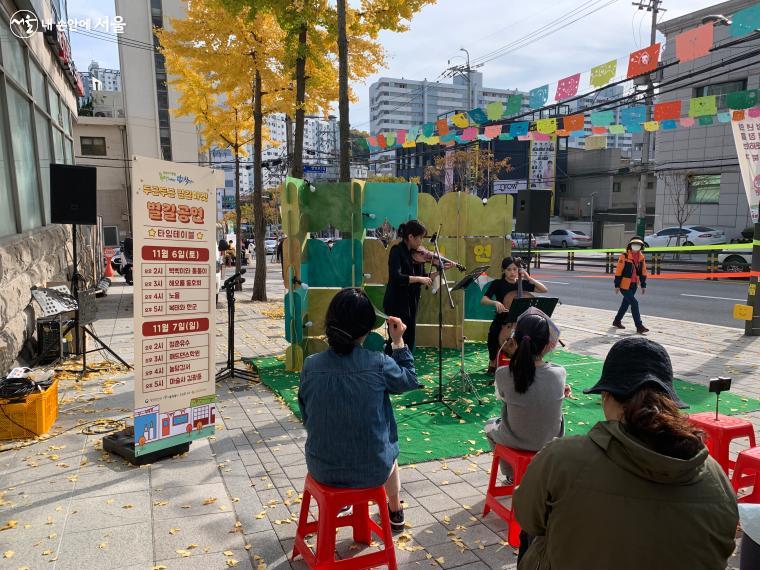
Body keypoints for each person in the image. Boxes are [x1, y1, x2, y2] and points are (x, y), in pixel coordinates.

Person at [513, 336, 739, 570]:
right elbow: (724, 546)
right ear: (669, 402)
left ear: (606, 396)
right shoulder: (715, 476)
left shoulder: (562, 458)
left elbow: (527, 515)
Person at [298, 288, 421, 533]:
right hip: (372, 469)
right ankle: (394, 510)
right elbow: (409, 380)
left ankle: (346, 503)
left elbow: (306, 413)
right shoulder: (379, 363)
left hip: (322, 467)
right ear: (366, 329)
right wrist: (398, 343)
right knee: (390, 446)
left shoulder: (311, 365)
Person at [484, 309, 567, 483]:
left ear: (514, 341)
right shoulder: (559, 372)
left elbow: (503, 398)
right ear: (547, 345)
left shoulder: (503, 373)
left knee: (489, 426)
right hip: (551, 440)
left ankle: (511, 474)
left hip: (516, 439)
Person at [481, 256, 548, 375]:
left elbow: (544, 290)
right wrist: (495, 302)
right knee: (493, 334)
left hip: (521, 322)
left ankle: (525, 361)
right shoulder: (497, 284)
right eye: (509, 269)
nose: (512, 272)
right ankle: (492, 361)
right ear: (503, 271)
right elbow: (483, 300)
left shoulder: (523, 283)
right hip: (503, 320)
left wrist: (529, 278)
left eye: (515, 269)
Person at [383, 220, 433, 353]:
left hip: (411, 302)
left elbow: (424, 277)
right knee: (396, 339)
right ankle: (388, 368)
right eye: (420, 238)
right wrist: (419, 278)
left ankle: (405, 369)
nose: (421, 242)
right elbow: (396, 277)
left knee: (410, 338)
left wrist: (440, 270)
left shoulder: (417, 255)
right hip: (397, 302)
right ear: (410, 237)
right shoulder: (396, 251)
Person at [613, 236, 649, 333]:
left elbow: (643, 272)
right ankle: (639, 326)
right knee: (634, 303)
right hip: (624, 285)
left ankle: (616, 321)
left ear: (641, 247)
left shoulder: (641, 257)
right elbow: (619, 271)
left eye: (638, 245)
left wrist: (643, 285)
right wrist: (617, 285)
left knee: (625, 304)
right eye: (634, 245)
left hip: (634, 285)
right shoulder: (624, 256)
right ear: (630, 246)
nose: (636, 247)